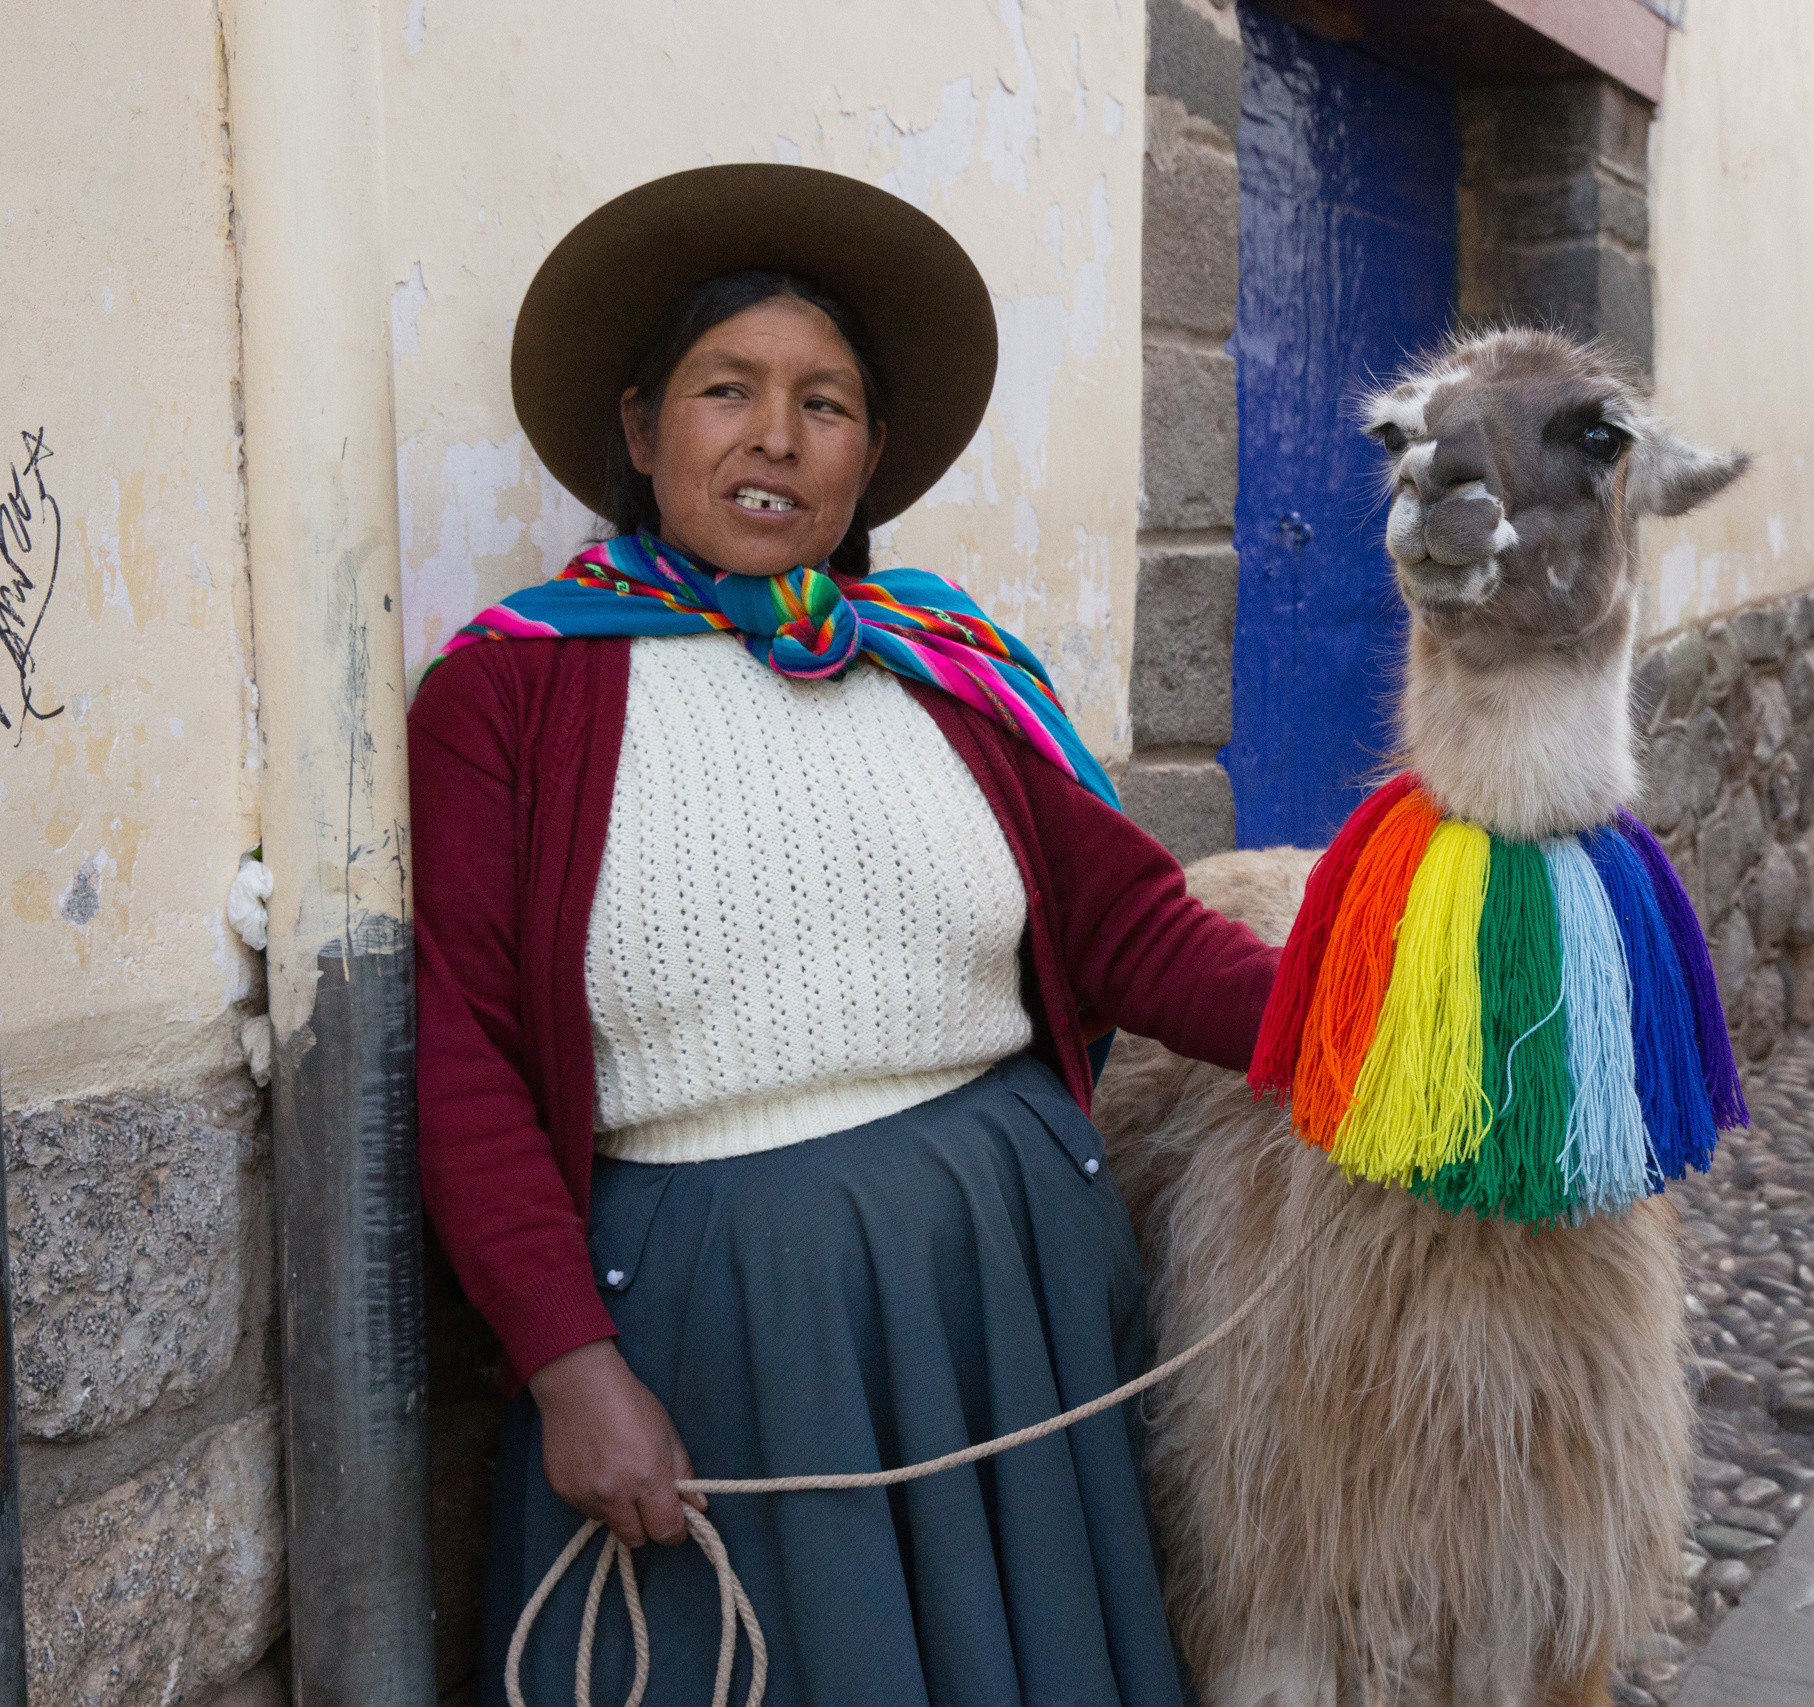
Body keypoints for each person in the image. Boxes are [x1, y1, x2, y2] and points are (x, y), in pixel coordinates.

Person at [410, 164, 1283, 1705]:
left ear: (870, 454)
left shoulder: (943, 665)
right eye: (725, 388)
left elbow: (1133, 925)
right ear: (639, 428)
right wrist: (567, 1365)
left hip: (1002, 1280)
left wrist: (1368, 1034)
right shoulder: (510, 695)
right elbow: (468, 1056)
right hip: (717, 1318)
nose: (773, 434)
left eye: (824, 403)